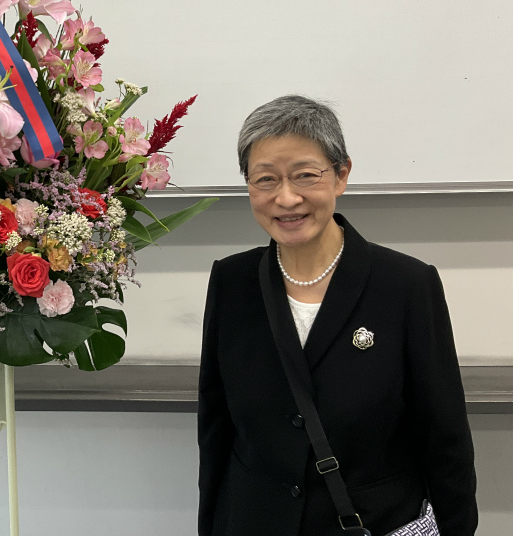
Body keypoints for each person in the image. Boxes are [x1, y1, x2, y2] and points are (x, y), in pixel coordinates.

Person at [198, 95, 477, 536]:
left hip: (373, 523)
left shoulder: (406, 284)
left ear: (341, 174)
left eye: (305, 175)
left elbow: (444, 438)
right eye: (265, 179)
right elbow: (215, 428)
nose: (286, 198)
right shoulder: (232, 281)